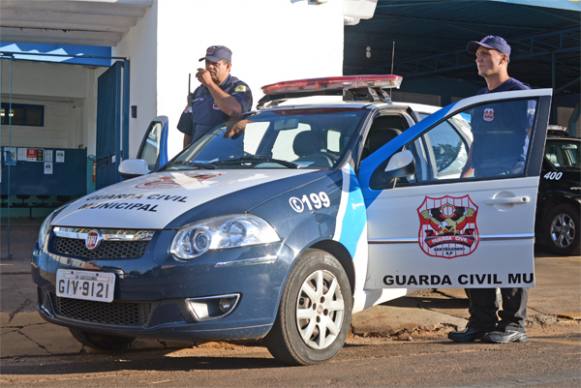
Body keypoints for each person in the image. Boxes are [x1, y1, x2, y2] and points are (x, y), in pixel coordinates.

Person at [448, 35, 530, 344]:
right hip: (481, 185)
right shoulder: (481, 99)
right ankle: (480, 321)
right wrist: (467, 172)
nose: (479, 59)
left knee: (508, 254)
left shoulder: (520, 95)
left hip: (509, 187)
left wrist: (515, 180)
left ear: (504, 59)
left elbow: (528, 141)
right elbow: (478, 144)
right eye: (477, 55)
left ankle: (514, 323)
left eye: (487, 54)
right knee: (476, 255)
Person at [177, 45, 253, 148]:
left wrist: (210, 84)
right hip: (198, 161)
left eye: (215, 63)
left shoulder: (239, 88)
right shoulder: (199, 92)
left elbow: (235, 110)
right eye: (207, 62)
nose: (209, 67)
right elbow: (188, 131)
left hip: (225, 161)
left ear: (228, 67)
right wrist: (185, 159)